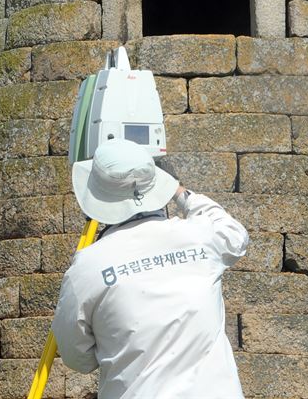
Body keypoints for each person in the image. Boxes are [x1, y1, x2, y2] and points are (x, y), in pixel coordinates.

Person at [52, 138, 249, 399]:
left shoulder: (86, 268)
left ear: (97, 196)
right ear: (158, 184)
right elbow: (235, 234)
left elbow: (77, 358)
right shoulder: (201, 235)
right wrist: (180, 193)